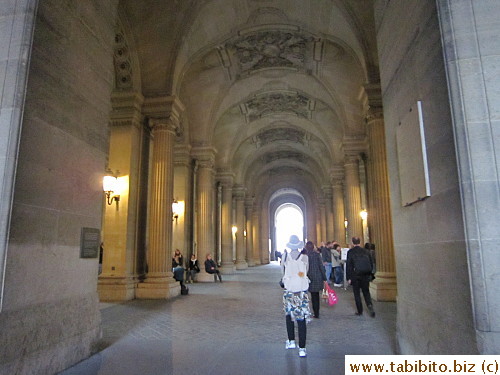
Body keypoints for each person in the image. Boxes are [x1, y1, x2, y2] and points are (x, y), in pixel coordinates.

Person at [281, 234, 310, 357]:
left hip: (289, 291)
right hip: (301, 291)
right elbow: (306, 271)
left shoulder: (285, 256)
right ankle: (302, 348)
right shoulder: (304, 257)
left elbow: (282, 271)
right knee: (301, 318)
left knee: (289, 315)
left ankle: (291, 341)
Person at [346, 237, 375, 317]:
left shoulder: (351, 252)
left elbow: (349, 266)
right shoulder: (366, 251)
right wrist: (370, 273)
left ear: (353, 243)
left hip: (355, 275)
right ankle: (370, 306)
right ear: (360, 242)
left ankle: (360, 310)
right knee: (366, 292)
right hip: (365, 274)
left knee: (357, 293)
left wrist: (348, 277)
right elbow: (371, 263)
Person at [304, 241, 327, 319]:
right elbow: (321, 267)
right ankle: (316, 313)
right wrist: (324, 278)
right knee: (316, 296)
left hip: (308, 277)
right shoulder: (317, 255)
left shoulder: (304, 256)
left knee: (307, 295)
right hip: (317, 277)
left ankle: (305, 311)